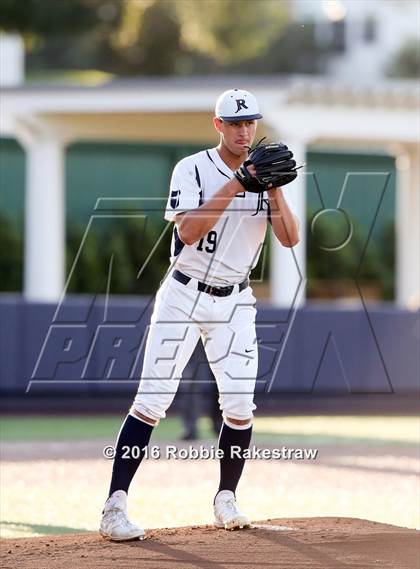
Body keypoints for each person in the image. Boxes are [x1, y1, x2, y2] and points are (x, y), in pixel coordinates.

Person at [100, 88, 299, 541]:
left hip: (235, 300)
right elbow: (188, 230)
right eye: (234, 123)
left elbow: (289, 239)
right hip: (184, 293)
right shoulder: (191, 168)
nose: (244, 130)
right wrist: (237, 183)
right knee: (151, 402)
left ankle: (226, 499)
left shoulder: (265, 176)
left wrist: (273, 190)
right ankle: (114, 507)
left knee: (240, 407)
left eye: (250, 122)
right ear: (218, 126)